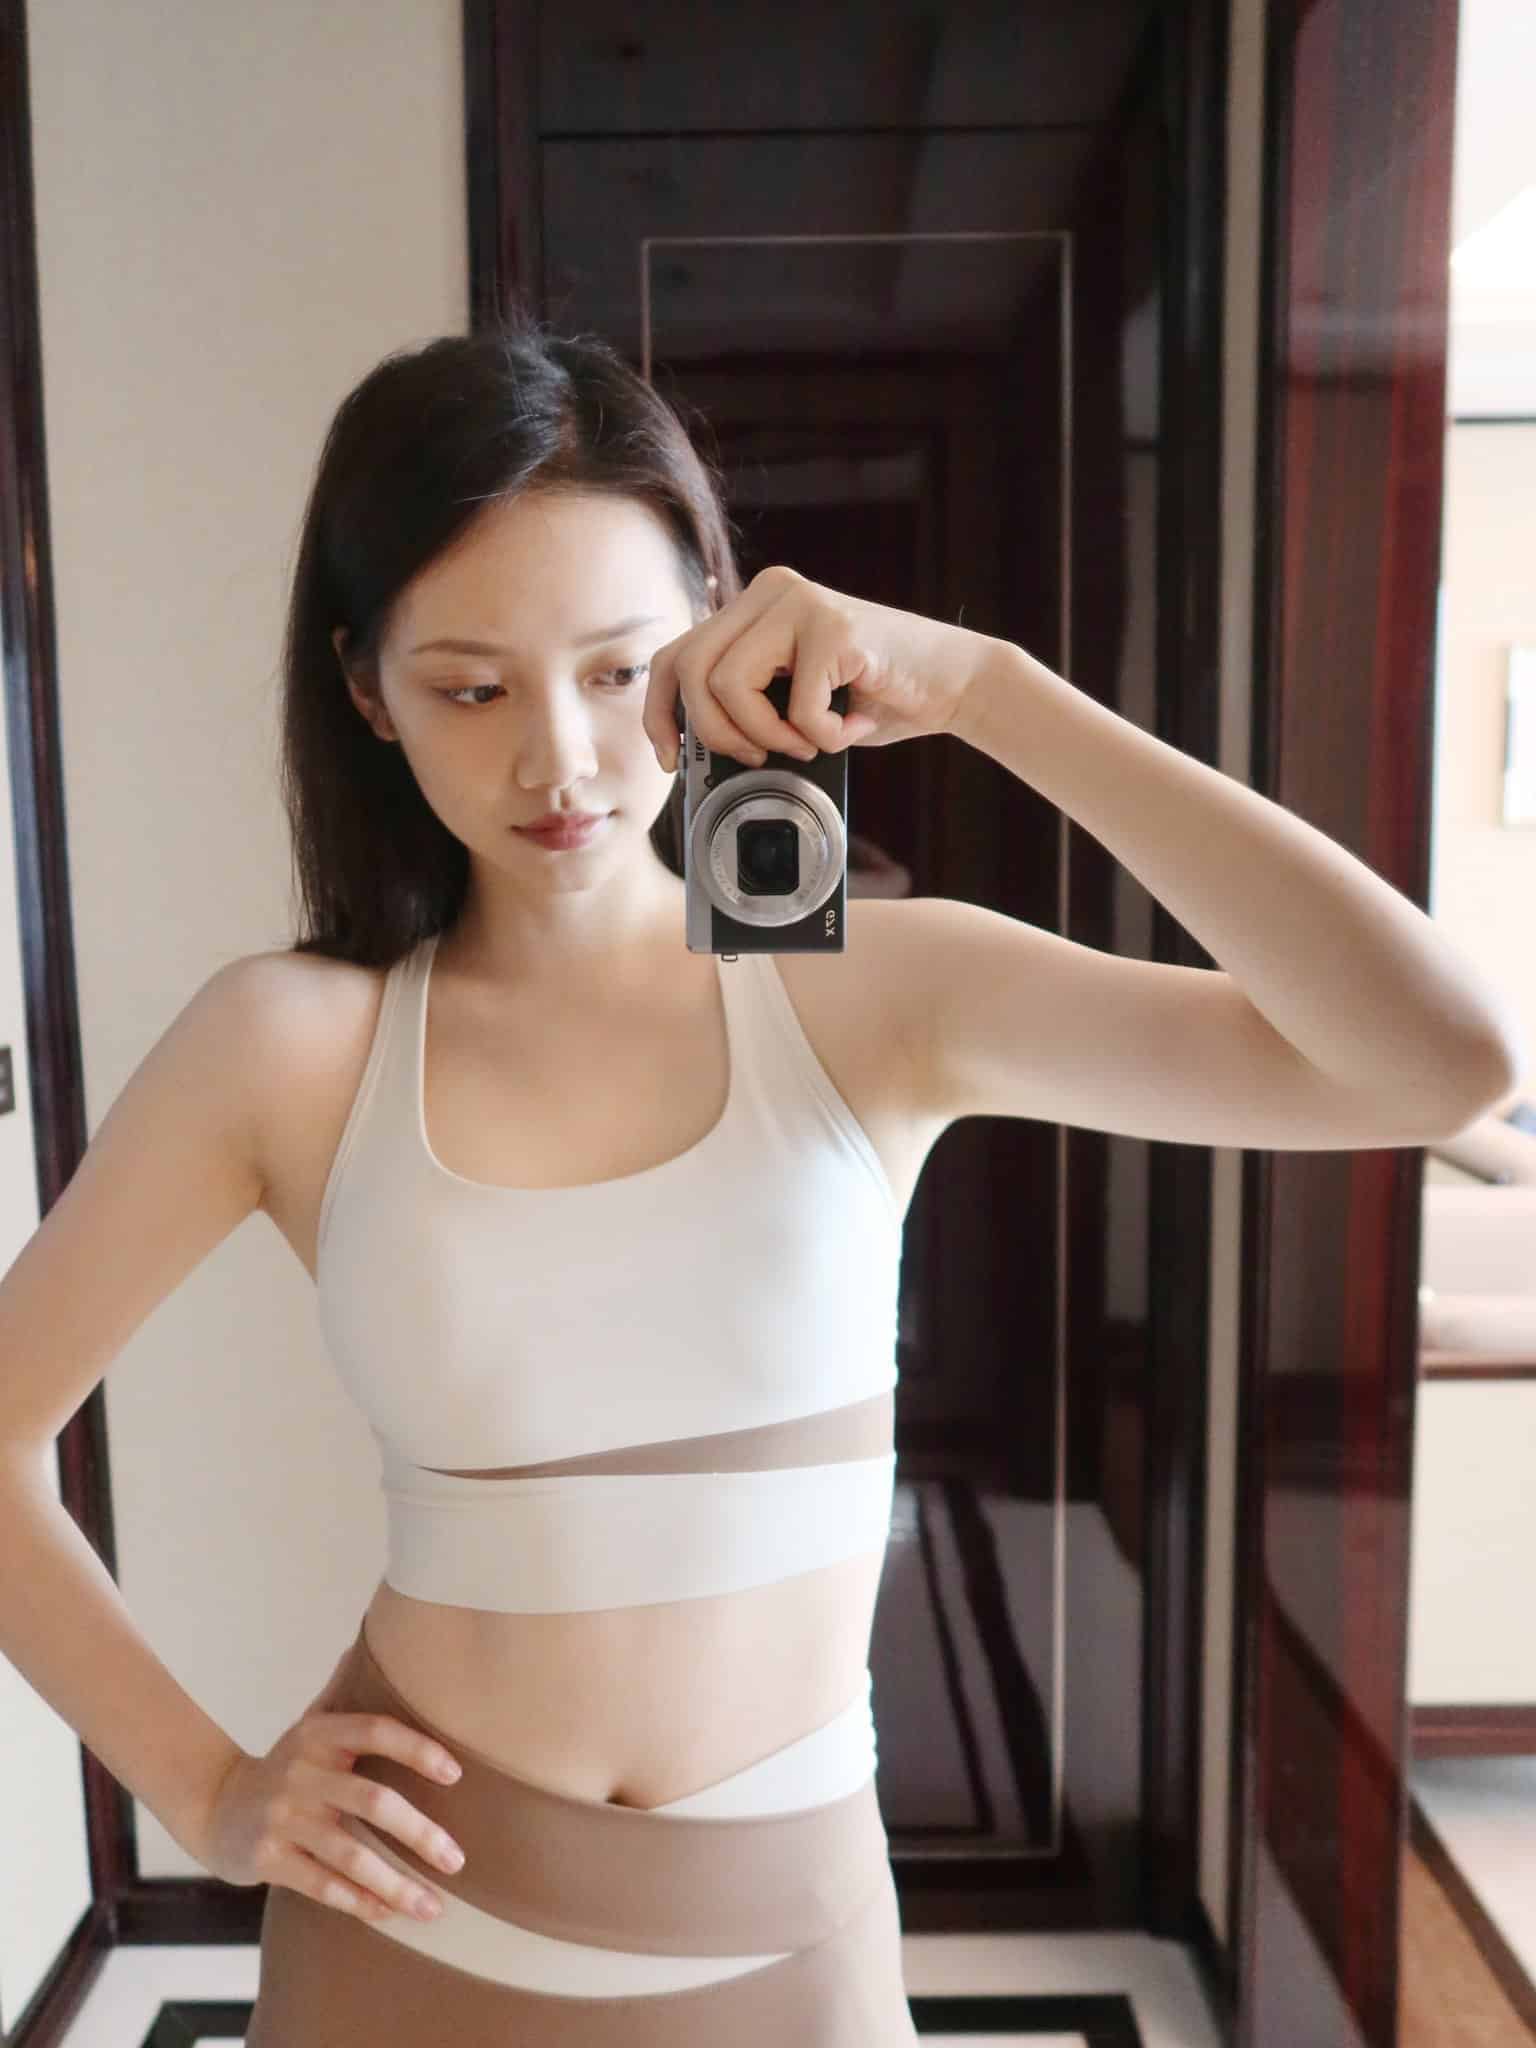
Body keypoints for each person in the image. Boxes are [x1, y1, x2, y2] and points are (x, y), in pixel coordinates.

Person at [0, 310, 1522, 2044]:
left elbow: (1436, 1062)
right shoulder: (291, 1045)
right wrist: (207, 1794)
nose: (559, 759)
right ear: (365, 692)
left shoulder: (871, 995)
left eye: (616, 670)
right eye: (471, 688)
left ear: (713, 637)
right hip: (406, 1942)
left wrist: (992, 692)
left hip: (791, 1948)